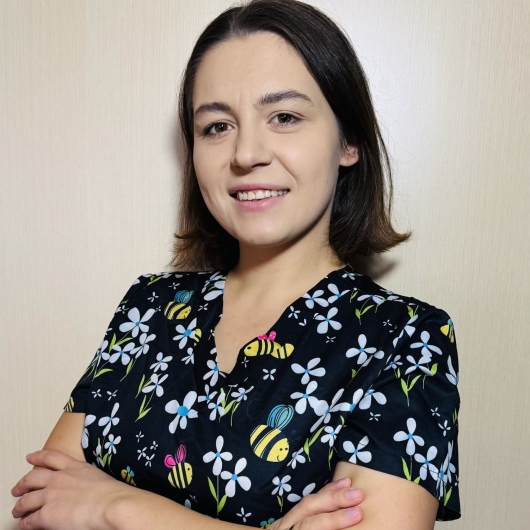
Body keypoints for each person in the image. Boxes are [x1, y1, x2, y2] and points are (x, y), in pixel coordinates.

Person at [12, 0, 460, 529]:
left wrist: (116, 508)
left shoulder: (405, 338)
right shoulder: (149, 307)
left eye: (285, 117)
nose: (246, 153)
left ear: (349, 141)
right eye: (217, 126)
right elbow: (38, 509)